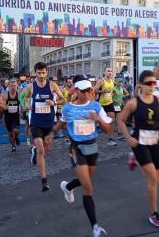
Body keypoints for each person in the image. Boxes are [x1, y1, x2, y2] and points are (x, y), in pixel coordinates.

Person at [48, 74, 112, 237]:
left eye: (90, 89)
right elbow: (62, 122)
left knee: (86, 181)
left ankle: (68, 187)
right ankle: (95, 227)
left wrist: (98, 119)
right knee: (88, 188)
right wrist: (52, 132)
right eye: (85, 90)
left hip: (92, 148)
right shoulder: (69, 108)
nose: (90, 92)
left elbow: (108, 130)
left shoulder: (96, 106)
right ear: (77, 91)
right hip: (76, 149)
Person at [118, 70, 159, 228]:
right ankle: (154, 214)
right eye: (148, 83)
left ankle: (134, 159)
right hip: (139, 143)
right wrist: (127, 137)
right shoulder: (133, 103)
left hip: (154, 142)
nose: (152, 86)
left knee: (156, 180)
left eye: (154, 83)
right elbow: (120, 120)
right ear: (140, 85)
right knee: (153, 178)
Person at [25, 62, 64, 192]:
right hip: (36, 121)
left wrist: (53, 102)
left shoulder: (52, 85)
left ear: (47, 72)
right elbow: (25, 98)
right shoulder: (31, 86)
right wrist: (26, 105)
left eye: (43, 73)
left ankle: (35, 150)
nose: (41, 75)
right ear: (35, 73)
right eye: (39, 73)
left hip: (48, 122)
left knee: (44, 148)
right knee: (42, 150)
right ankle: (44, 180)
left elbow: (63, 99)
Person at [94, 67, 117, 146]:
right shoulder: (101, 81)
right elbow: (94, 90)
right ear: (105, 72)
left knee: (112, 120)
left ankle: (110, 138)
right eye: (108, 71)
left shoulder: (112, 81)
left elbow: (113, 91)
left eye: (111, 71)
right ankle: (92, 138)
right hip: (101, 104)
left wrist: (114, 93)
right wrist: (103, 91)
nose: (110, 72)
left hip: (109, 103)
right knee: (97, 121)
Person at [2, 78, 21, 152]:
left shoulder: (19, 94)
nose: (13, 87)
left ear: (17, 86)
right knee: (10, 133)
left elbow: (23, 103)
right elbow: (2, 105)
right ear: (9, 86)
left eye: (14, 85)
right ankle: (13, 146)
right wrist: (4, 107)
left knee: (16, 131)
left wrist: (23, 110)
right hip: (8, 116)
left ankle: (16, 137)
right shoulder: (6, 95)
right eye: (12, 85)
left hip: (15, 115)